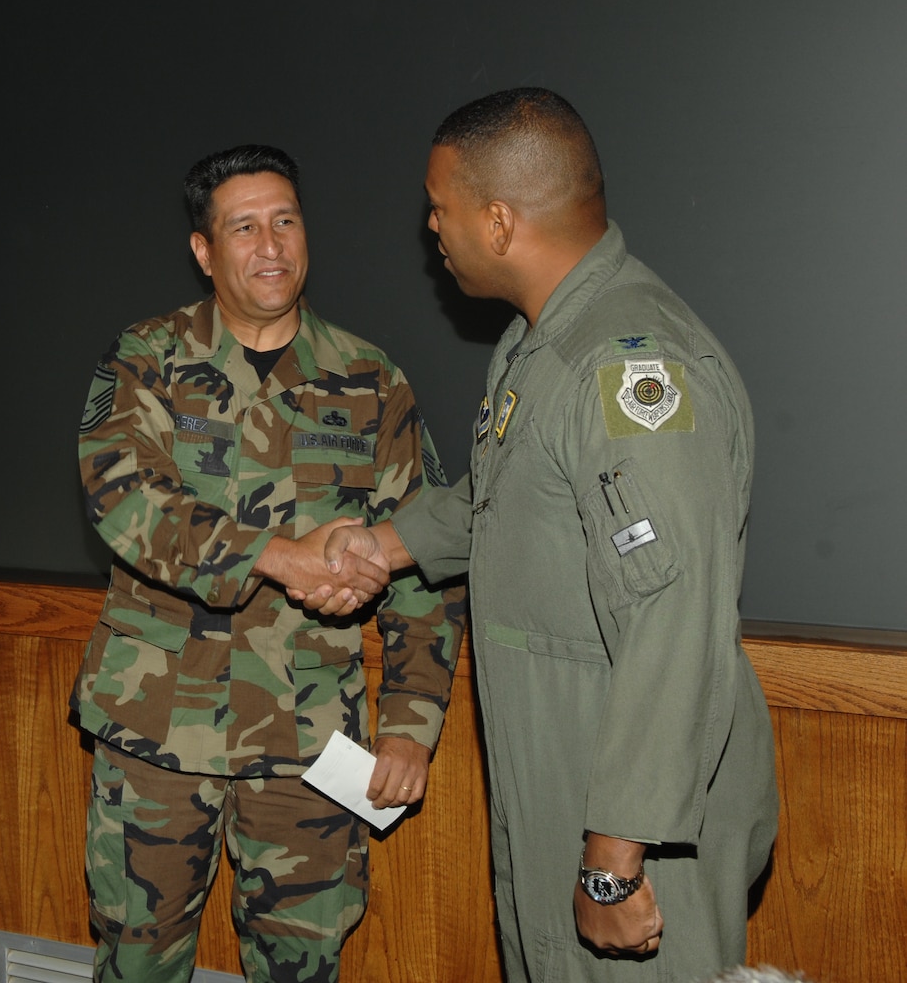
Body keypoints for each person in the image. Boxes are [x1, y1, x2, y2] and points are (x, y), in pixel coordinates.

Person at [299, 88, 778, 981]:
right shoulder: (543, 346)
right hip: (559, 768)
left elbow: (674, 619)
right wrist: (385, 546)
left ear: (500, 220)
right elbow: (504, 494)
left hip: (628, 804)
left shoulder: (631, 367)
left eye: (439, 209)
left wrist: (610, 860)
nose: (430, 230)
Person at [74, 144, 467, 982]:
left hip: (310, 742)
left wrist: (410, 723)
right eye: (244, 227)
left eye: (285, 221)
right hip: (156, 736)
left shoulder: (369, 379)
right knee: (136, 963)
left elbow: (427, 555)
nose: (271, 246)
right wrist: (279, 556)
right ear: (204, 250)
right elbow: (127, 503)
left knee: (304, 966)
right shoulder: (144, 360)